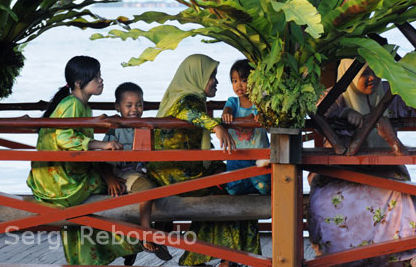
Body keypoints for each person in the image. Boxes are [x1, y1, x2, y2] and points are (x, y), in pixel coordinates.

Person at [308, 58, 416, 267]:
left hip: (384, 169)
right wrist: (344, 113)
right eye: (364, 73)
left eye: (376, 71)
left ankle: (410, 253)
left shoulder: (388, 92)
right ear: (349, 73)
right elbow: (315, 108)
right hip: (338, 172)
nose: (372, 78)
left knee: (402, 194)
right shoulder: (336, 95)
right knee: (326, 200)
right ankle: (336, 258)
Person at [26, 56, 141, 265]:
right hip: (59, 182)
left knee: (96, 200)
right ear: (79, 83)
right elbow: (63, 137)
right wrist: (102, 144)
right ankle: (129, 241)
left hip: (56, 176)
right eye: (96, 77)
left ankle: (96, 256)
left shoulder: (81, 105)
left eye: (100, 76)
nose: (101, 81)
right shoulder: (72, 103)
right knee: (116, 187)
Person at [148, 54, 260, 267]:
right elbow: (187, 113)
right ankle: (229, 258)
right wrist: (216, 126)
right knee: (235, 192)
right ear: (197, 76)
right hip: (178, 175)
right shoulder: (187, 99)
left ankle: (211, 257)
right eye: (211, 76)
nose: (216, 82)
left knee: (233, 183)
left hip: (176, 171)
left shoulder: (182, 95)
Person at [103, 82, 172, 263]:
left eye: (139, 104)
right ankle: (145, 231)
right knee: (147, 188)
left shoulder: (146, 126)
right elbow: (102, 159)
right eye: (129, 105)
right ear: (118, 107)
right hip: (125, 174)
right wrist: (110, 178)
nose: (135, 109)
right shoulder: (115, 129)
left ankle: (160, 236)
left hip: (145, 171)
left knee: (169, 189)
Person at [221, 59, 270, 195]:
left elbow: (258, 115)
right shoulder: (233, 102)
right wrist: (227, 114)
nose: (239, 85)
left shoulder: (258, 102)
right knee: (233, 190)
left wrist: (255, 116)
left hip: (259, 157)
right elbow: (227, 111)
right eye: (234, 81)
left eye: (243, 80)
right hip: (236, 155)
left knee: (265, 188)